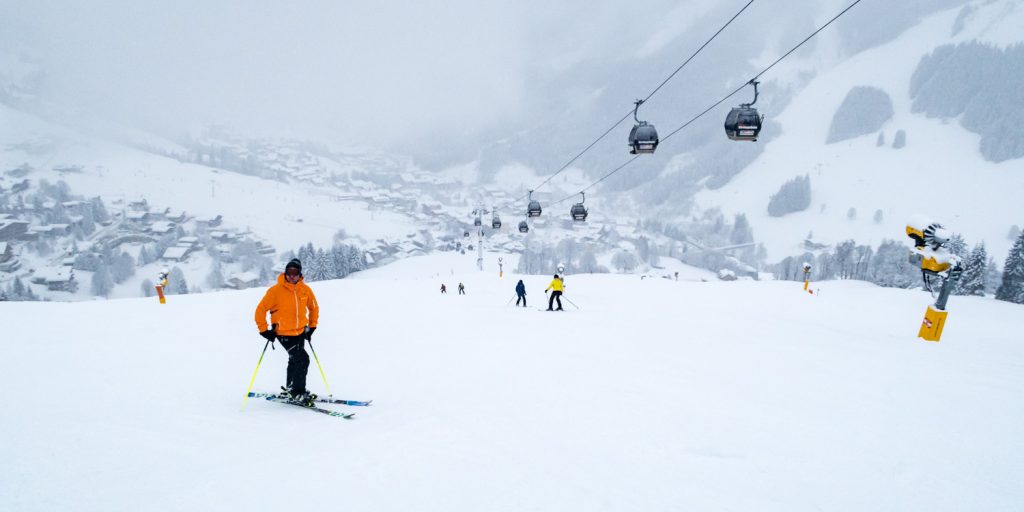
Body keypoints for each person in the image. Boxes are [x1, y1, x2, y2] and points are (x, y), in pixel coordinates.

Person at [255, 258, 320, 406]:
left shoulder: (305, 290)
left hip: (300, 332)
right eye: (289, 272)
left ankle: (291, 387)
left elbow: (314, 308)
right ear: (285, 273)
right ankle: (298, 392)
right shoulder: (275, 291)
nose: (292, 276)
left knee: (295, 360)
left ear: (299, 274)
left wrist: (312, 326)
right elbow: (260, 310)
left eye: (295, 272)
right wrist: (264, 330)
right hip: (283, 333)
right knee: (302, 359)